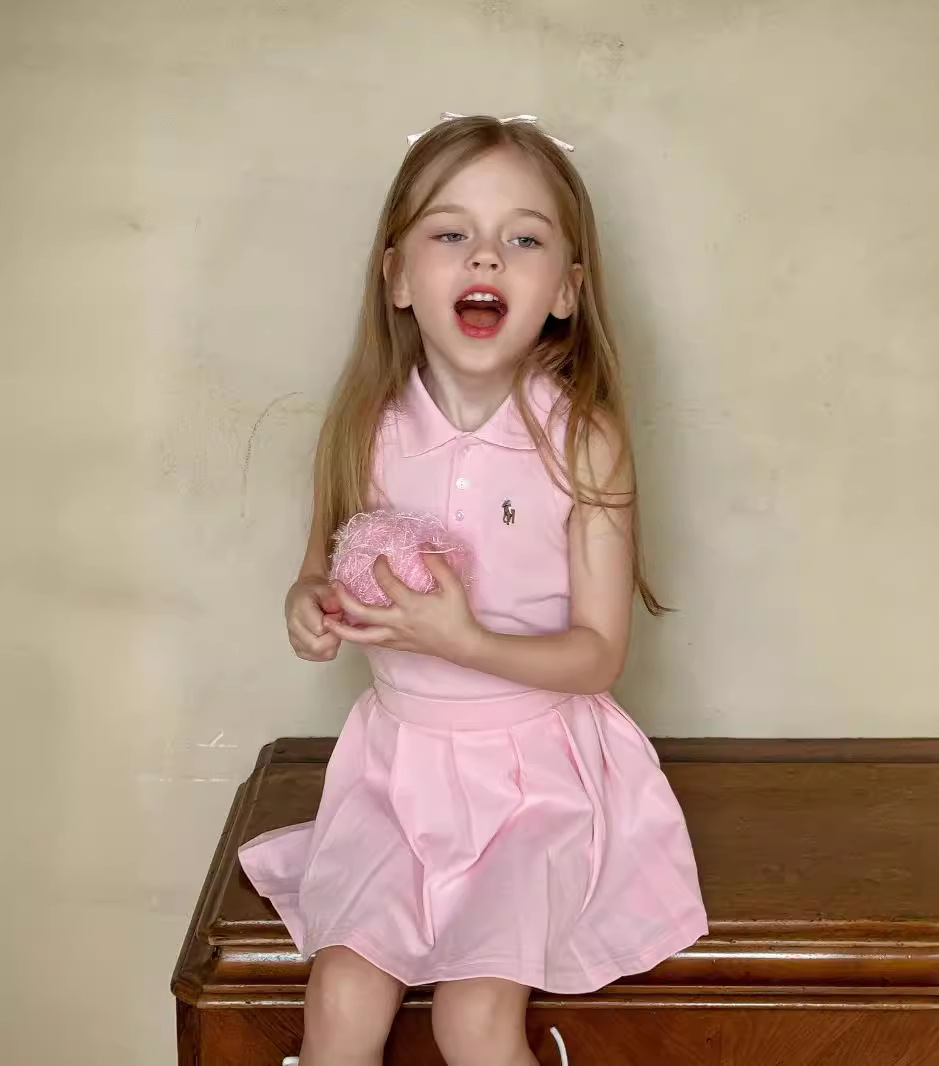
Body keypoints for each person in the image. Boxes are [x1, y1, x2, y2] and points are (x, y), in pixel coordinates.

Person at [239, 112, 708, 1066]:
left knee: (473, 1017)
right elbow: (319, 567)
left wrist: (467, 643)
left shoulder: (582, 438)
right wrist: (308, 606)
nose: (486, 256)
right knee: (340, 998)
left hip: (536, 784)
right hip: (398, 775)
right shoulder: (366, 428)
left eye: (523, 239)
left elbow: (599, 656)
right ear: (398, 277)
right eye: (450, 233)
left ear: (567, 290)